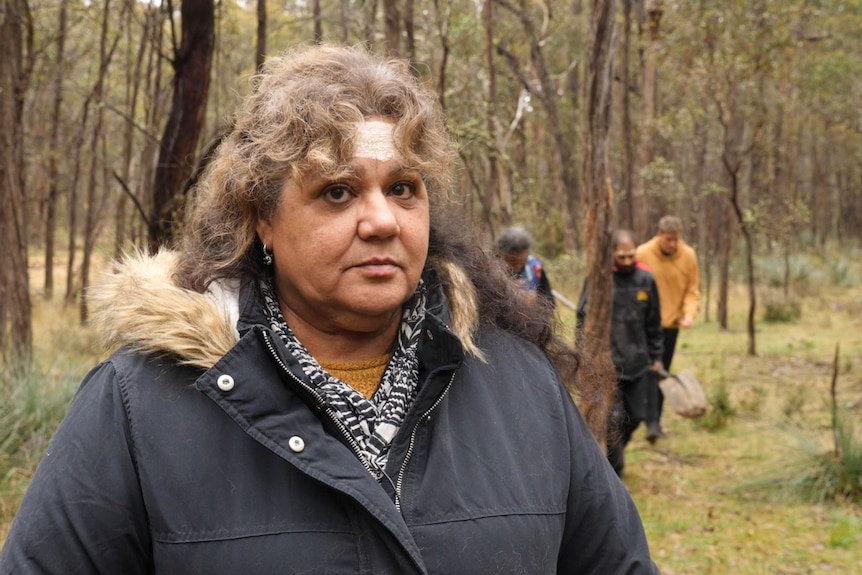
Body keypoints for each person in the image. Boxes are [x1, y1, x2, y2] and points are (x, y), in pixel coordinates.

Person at [0, 46, 658, 574]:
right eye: (338, 192)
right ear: (262, 217)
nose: (380, 219)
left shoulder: (520, 383)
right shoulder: (137, 406)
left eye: (403, 188)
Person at [577, 230, 663, 476]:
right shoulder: (598, 280)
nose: (626, 261)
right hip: (607, 364)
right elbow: (582, 319)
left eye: (631, 256)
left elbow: (654, 322)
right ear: (611, 254)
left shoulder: (646, 279)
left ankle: (617, 452)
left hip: (638, 362)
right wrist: (583, 355)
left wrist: (656, 356)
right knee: (613, 418)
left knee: (636, 416)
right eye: (621, 256)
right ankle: (615, 471)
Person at [636, 215, 700, 442]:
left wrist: (689, 314)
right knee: (642, 374)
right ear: (658, 235)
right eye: (668, 240)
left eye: (676, 240)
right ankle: (641, 418)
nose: (672, 244)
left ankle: (655, 423)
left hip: (670, 326)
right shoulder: (642, 253)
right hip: (643, 326)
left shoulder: (689, 255)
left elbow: (692, 289)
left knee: (661, 372)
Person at [493, 226, 555, 306]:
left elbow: (549, 300)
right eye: (513, 261)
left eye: (522, 261)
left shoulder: (535, 268)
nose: (518, 265)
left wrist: (537, 302)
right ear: (501, 255)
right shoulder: (492, 271)